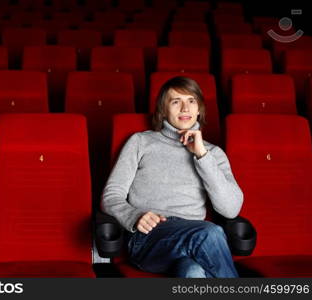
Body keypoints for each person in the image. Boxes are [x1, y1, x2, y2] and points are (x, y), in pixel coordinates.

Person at [101, 76, 244, 278]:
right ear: (163, 110)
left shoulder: (213, 154)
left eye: (191, 101)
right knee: (209, 234)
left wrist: (202, 155)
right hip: (148, 237)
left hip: (194, 237)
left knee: (192, 272)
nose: (185, 108)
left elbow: (231, 209)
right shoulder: (140, 142)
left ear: (199, 109)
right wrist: (134, 216)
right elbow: (111, 196)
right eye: (176, 101)